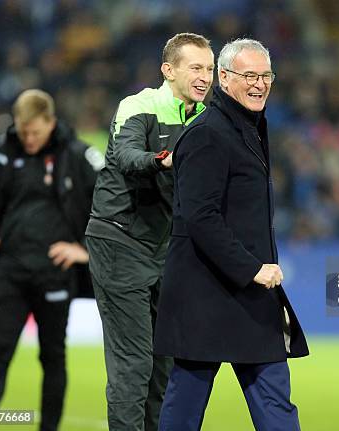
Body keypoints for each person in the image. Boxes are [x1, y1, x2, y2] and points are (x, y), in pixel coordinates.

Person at [154, 38, 309, 431]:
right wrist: (253, 268)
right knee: (185, 409)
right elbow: (198, 217)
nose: (259, 84)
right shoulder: (207, 133)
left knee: (276, 403)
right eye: (249, 75)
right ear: (223, 78)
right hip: (205, 295)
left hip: (249, 298)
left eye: (265, 75)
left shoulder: (249, 126)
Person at [85, 32, 214, 431]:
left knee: (164, 363)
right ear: (168, 70)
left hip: (164, 248)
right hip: (119, 239)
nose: (205, 77)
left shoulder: (205, 118)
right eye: (196, 67)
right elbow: (125, 156)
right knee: (134, 361)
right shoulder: (139, 106)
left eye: (209, 69)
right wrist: (163, 161)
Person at [0, 89, 101, 431]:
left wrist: (84, 250)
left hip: (55, 276)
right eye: (23, 132)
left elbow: (108, 201)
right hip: (11, 273)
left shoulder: (77, 154)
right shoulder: (0, 152)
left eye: (35, 133)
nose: (29, 139)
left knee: (52, 358)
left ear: (50, 123)